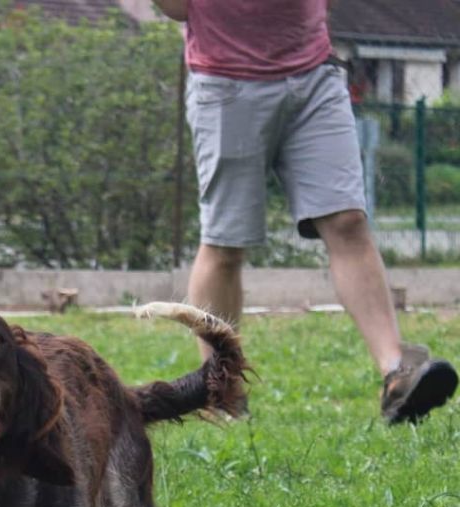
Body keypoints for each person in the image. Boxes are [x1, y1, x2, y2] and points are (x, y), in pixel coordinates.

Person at [156, 0, 458, 424]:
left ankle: (396, 373)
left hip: (315, 76)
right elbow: (174, 9)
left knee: (347, 220)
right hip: (226, 83)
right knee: (226, 243)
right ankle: (219, 389)